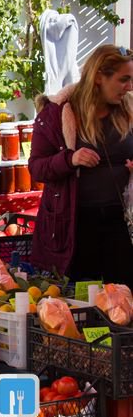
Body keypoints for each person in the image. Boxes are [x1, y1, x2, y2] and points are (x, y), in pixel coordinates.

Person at [30, 44, 133, 289]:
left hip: (120, 221)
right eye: (123, 80)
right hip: (74, 224)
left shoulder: (127, 110)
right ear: (99, 77)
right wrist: (70, 159)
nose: (129, 87)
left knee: (124, 300)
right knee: (82, 301)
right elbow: (36, 168)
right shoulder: (57, 113)